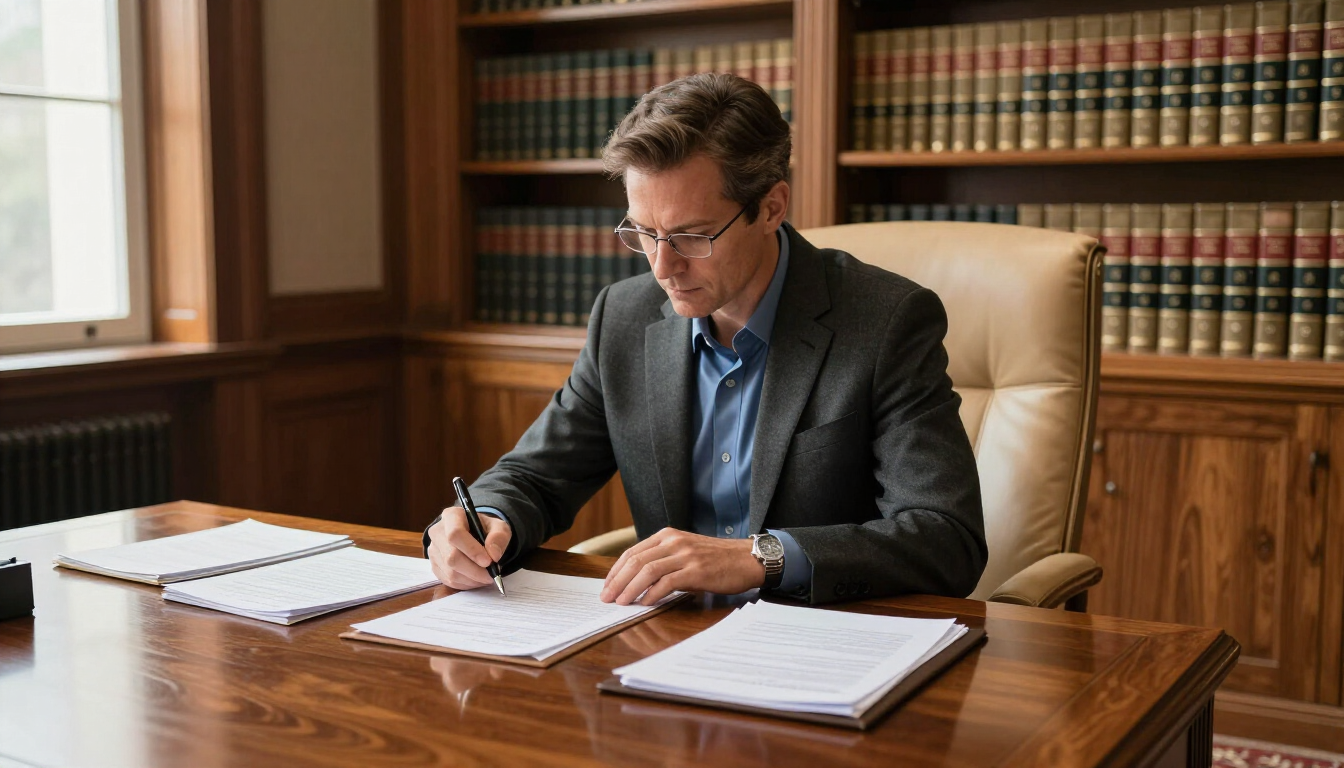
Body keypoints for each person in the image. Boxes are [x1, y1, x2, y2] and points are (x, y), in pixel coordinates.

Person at [425, 73, 985, 606]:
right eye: (644, 232)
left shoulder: (886, 322)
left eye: (691, 236)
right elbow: (536, 476)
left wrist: (762, 557)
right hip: (669, 636)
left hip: (826, 638)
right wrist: (486, 520)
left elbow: (946, 538)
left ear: (771, 207)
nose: (662, 267)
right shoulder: (623, 317)